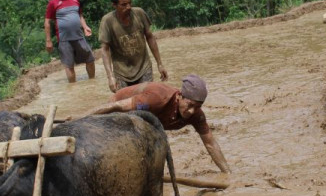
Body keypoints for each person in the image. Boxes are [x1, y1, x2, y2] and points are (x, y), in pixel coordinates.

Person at [79, 74, 230, 174]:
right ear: (179, 96)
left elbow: (210, 143)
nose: (191, 111)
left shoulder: (196, 115)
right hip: (123, 110)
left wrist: (227, 174)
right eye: (189, 105)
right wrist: (81, 118)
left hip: (149, 120)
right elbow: (117, 106)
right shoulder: (157, 99)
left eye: (197, 107)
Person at [98, 0, 168, 93]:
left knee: (146, 101)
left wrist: (160, 64)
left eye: (130, 3)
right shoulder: (107, 21)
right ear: (114, 5)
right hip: (121, 72)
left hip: (144, 67)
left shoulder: (139, 13)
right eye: (124, 4)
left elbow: (150, 37)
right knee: (124, 104)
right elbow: (105, 49)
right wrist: (110, 77)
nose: (128, 7)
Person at [45, 0, 97, 84]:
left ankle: (92, 82)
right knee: (69, 65)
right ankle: (73, 86)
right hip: (64, 39)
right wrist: (48, 40)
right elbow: (47, 22)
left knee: (90, 60)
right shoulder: (52, 3)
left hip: (79, 36)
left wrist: (85, 26)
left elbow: (80, 15)